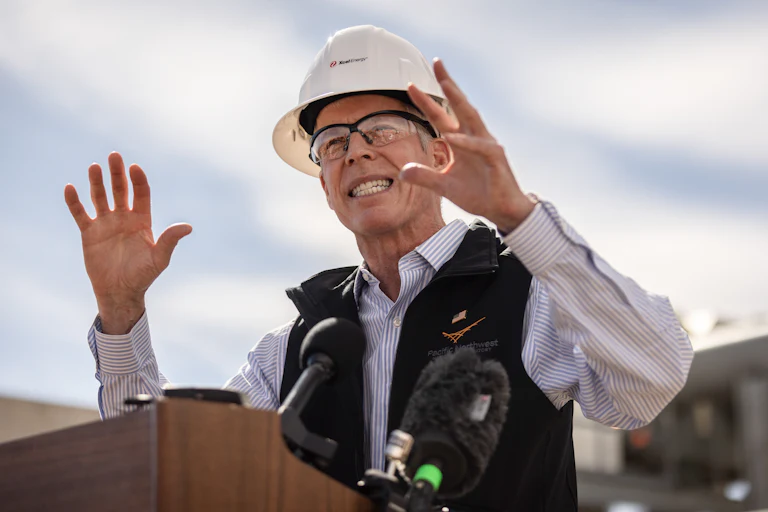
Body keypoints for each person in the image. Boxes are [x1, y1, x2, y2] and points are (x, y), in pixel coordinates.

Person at [64, 25, 693, 511]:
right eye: (333, 143)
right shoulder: (294, 348)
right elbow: (166, 469)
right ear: (325, 184)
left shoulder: (529, 293)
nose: (357, 152)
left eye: (381, 129)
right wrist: (121, 314)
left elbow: (653, 378)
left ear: (440, 154)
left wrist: (519, 218)